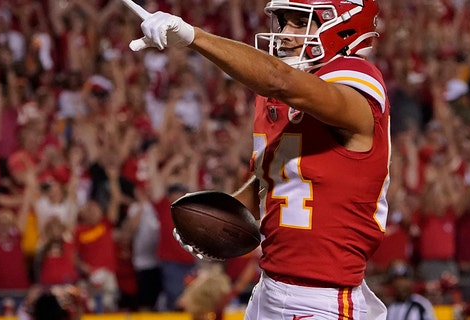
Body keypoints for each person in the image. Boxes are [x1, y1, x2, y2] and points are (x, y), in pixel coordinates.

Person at [129, 0, 390, 318]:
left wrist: (192, 36)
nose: (285, 34)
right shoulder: (281, 98)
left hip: (321, 298)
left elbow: (280, 80)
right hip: (268, 288)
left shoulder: (357, 81)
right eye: (283, 22)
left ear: (343, 25)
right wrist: (216, 218)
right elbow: (275, 182)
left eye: (299, 22)